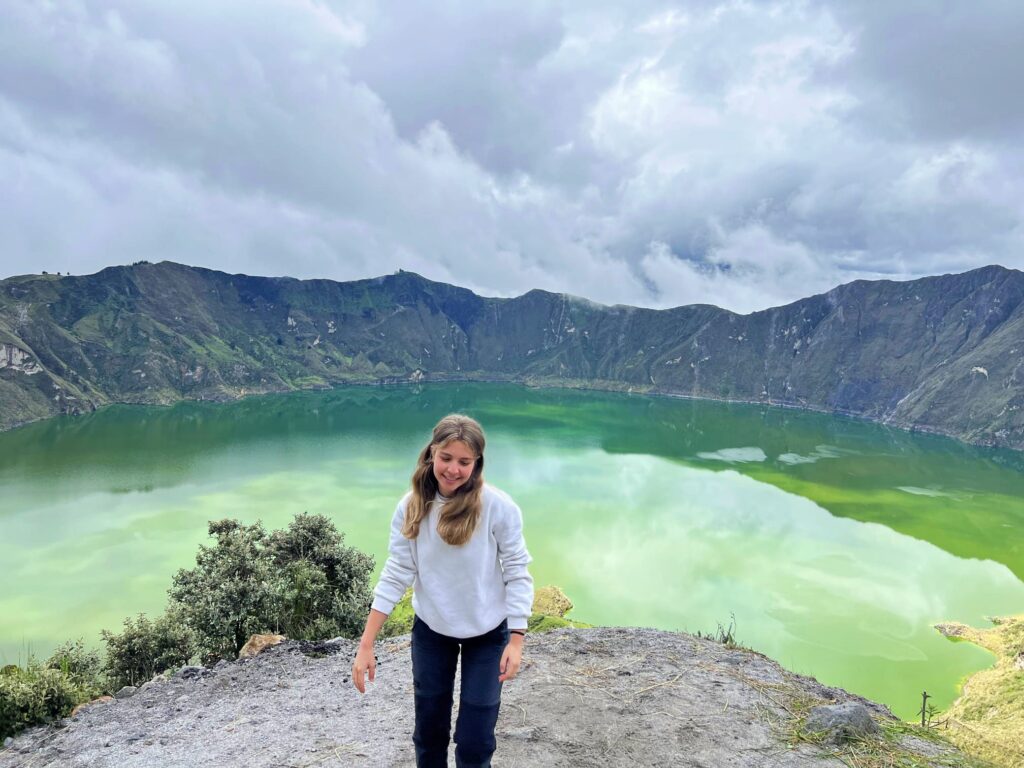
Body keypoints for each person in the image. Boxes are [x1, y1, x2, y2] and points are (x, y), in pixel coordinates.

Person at [352, 413, 534, 768]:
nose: (453, 469)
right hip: (433, 632)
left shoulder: (497, 507)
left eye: (464, 462)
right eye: (446, 458)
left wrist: (516, 638)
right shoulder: (411, 506)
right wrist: (366, 643)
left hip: (488, 633)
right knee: (429, 732)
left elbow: (517, 570)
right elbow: (397, 572)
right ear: (432, 453)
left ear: (477, 463)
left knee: (476, 739)